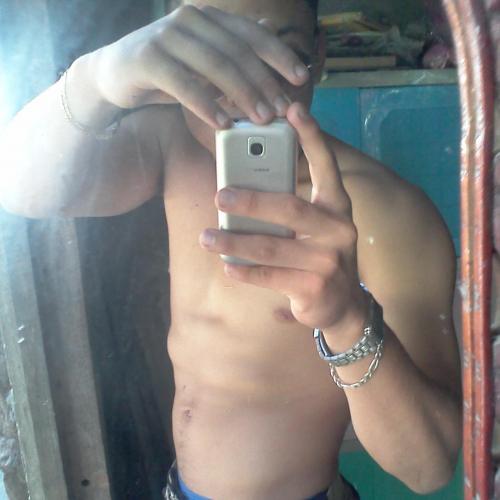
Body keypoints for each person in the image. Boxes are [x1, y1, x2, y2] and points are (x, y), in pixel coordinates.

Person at [0, 1, 462, 498]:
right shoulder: (171, 146)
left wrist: (349, 320)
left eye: (280, 52)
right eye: (215, 52)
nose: (247, 87)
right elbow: (20, 188)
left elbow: (428, 467)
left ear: (318, 56)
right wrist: (97, 78)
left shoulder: (386, 212)